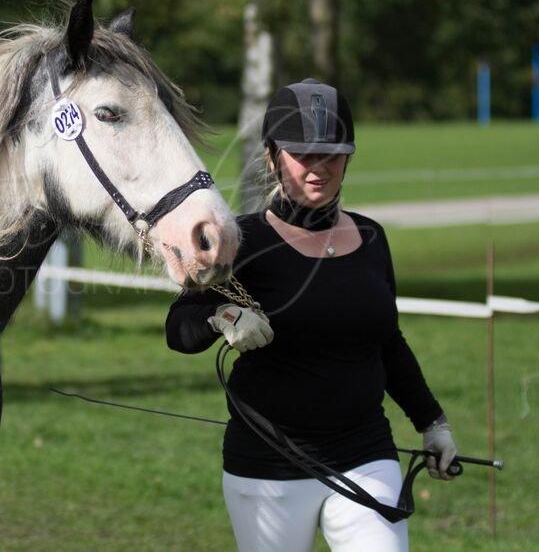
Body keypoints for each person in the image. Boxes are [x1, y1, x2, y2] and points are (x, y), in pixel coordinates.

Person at [165, 79, 457, 552]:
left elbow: (388, 342)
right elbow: (178, 327)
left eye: (333, 154)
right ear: (272, 156)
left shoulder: (372, 238)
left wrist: (433, 423)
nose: (319, 167)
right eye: (303, 154)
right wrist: (222, 315)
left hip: (366, 454)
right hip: (267, 466)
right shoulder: (241, 241)